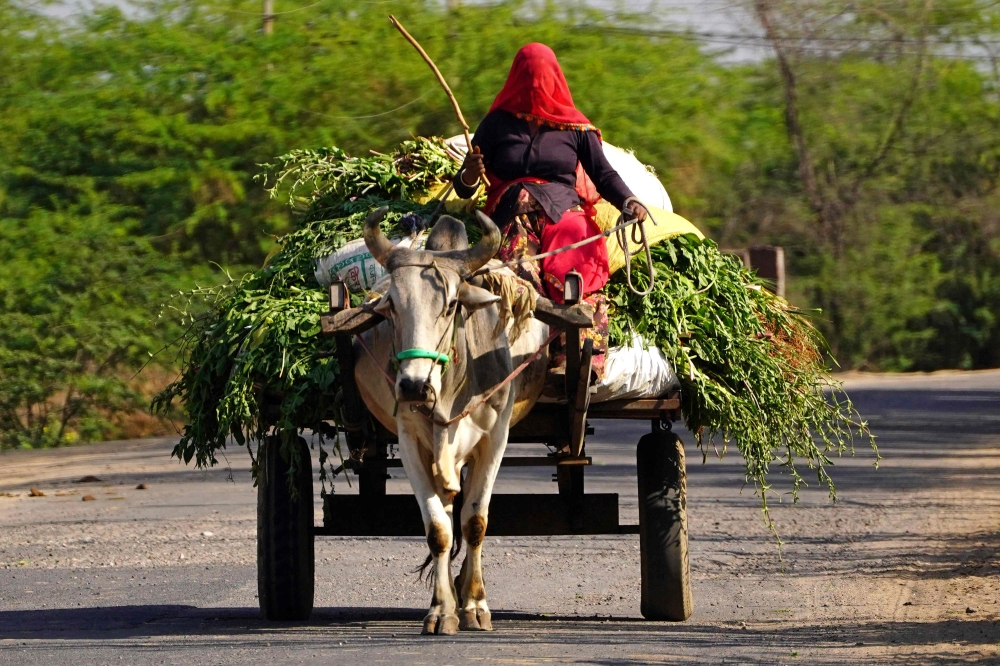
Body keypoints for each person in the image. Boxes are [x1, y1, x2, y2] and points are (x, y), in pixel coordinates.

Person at [453, 42, 647, 378]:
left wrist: (629, 201)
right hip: (512, 213)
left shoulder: (575, 128)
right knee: (518, 274)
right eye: (528, 78)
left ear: (555, 79)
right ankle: (519, 355)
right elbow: (464, 186)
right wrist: (470, 171)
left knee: (576, 273)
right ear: (516, 79)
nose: (535, 86)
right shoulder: (497, 124)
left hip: (563, 213)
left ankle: (577, 358)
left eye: (542, 79)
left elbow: (603, 174)